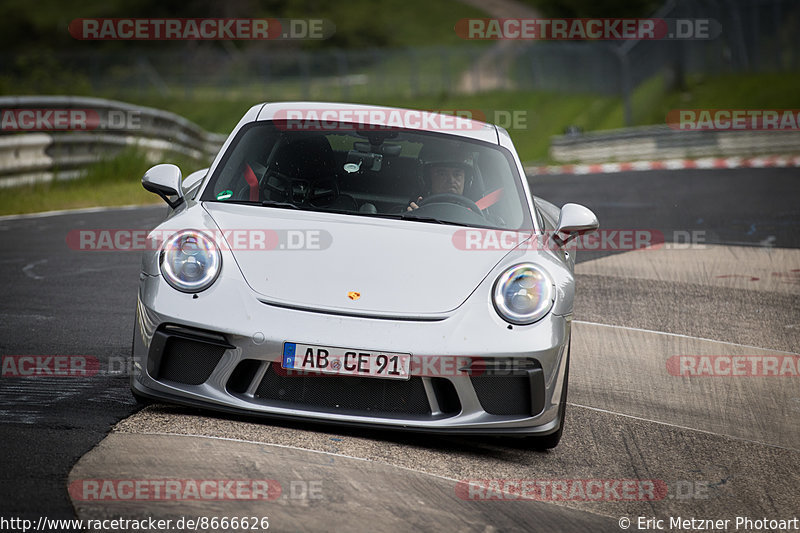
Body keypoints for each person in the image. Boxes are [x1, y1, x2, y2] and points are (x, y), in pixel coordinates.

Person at [407, 161, 471, 211]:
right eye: (442, 174)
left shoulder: (477, 214)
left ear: (465, 181)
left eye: (457, 174)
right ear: (429, 180)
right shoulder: (418, 209)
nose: (451, 180)